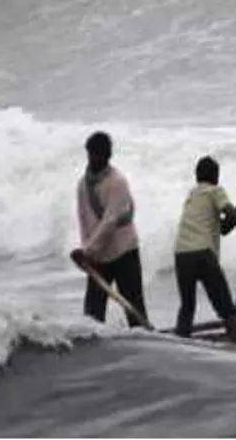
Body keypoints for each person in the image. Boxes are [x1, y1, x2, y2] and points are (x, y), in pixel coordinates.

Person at [172, 155, 236, 339]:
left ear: (197, 176)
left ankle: (180, 343)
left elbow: (224, 228)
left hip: (181, 254)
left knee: (187, 307)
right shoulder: (215, 190)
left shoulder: (193, 195)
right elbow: (232, 216)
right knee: (226, 308)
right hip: (202, 254)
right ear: (216, 176)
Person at [71, 131, 148, 327]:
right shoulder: (83, 184)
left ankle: (144, 345)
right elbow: (83, 219)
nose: (94, 159)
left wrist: (88, 250)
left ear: (108, 157)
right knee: (92, 316)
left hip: (123, 252)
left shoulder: (117, 182)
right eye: (91, 154)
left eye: (98, 155)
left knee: (134, 309)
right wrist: (86, 251)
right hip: (97, 256)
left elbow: (109, 221)